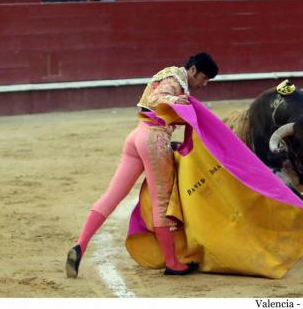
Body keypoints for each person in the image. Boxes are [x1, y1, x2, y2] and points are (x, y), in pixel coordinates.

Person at [66, 53, 219, 278]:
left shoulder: (169, 74)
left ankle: (80, 245)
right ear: (193, 70)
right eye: (203, 78)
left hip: (137, 135)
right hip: (154, 139)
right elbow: (158, 97)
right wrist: (176, 101)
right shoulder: (176, 82)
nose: (203, 84)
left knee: (112, 195)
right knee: (161, 204)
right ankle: (173, 262)